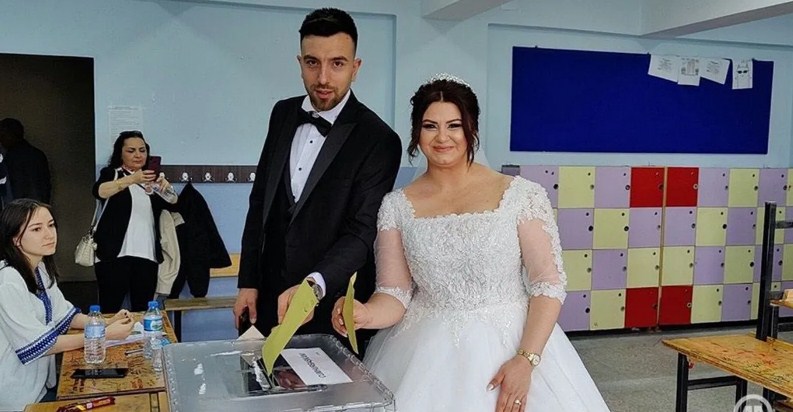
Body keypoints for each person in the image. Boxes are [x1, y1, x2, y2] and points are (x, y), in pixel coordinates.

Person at [332, 75, 609, 411]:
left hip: (514, 344)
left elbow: (548, 284)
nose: (442, 137)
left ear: (471, 129)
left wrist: (526, 359)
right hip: (425, 354)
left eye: (454, 125)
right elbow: (395, 293)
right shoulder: (396, 206)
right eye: (430, 126)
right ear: (417, 133)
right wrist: (364, 314)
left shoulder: (520, 195)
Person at [234, 8, 402, 344]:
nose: (323, 78)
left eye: (337, 63)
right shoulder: (282, 113)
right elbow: (260, 202)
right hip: (266, 301)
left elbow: (361, 232)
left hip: (330, 308)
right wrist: (248, 280)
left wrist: (314, 286)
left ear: (355, 68)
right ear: (300, 63)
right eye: (312, 63)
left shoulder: (379, 139)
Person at [0, 199, 133, 411]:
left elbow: (67, 317)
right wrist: (104, 335)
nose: (49, 234)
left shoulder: (40, 268)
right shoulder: (8, 281)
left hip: (40, 385)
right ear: (15, 238)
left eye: (51, 225)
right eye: (36, 229)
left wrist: (105, 323)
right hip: (17, 396)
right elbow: (39, 346)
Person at [92, 131, 177, 312]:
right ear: (120, 153)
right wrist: (132, 179)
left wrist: (166, 188)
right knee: (110, 309)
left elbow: (173, 203)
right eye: (131, 151)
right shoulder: (112, 173)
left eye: (142, 150)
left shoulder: (152, 180)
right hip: (113, 254)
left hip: (147, 255)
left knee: (143, 310)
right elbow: (99, 191)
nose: (138, 155)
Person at [0, 118, 52, 203]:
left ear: (12, 135)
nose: (1, 140)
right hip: (38, 204)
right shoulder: (37, 154)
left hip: (20, 205)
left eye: (3, 136)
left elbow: (16, 187)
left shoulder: (12, 157)